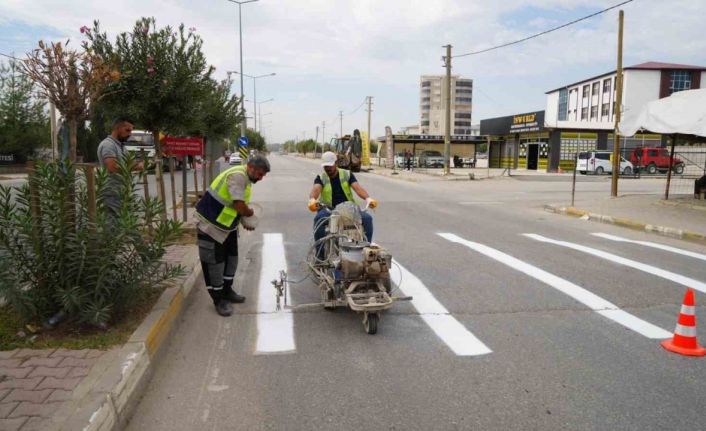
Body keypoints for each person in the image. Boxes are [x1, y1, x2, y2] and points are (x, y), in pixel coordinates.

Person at [194, 155, 270, 317]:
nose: (261, 178)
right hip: (210, 225)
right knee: (215, 264)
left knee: (231, 260)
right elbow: (239, 204)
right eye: (260, 174)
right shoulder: (238, 176)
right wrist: (249, 214)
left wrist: (242, 220)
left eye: (263, 175)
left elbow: (235, 205)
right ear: (251, 167)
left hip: (227, 227)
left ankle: (227, 291)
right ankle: (218, 300)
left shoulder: (246, 180)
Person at [308, 151, 377, 256]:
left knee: (367, 219)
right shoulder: (321, 177)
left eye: (330, 166)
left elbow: (358, 188)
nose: (328, 169)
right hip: (328, 209)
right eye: (325, 166)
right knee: (319, 220)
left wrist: (368, 198)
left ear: (336, 163)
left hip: (348, 208)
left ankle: (365, 251)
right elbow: (316, 190)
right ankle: (320, 256)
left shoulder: (347, 174)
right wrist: (312, 199)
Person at [97, 117, 144, 218]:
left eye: (131, 130)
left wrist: (141, 164)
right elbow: (112, 167)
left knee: (124, 223)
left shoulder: (120, 146)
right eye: (127, 130)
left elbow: (128, 162)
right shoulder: (108, 145)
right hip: (112, 192)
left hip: (121, 191)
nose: (130, 134)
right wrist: (136, 167)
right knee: (113, 223)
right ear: (117, 128)